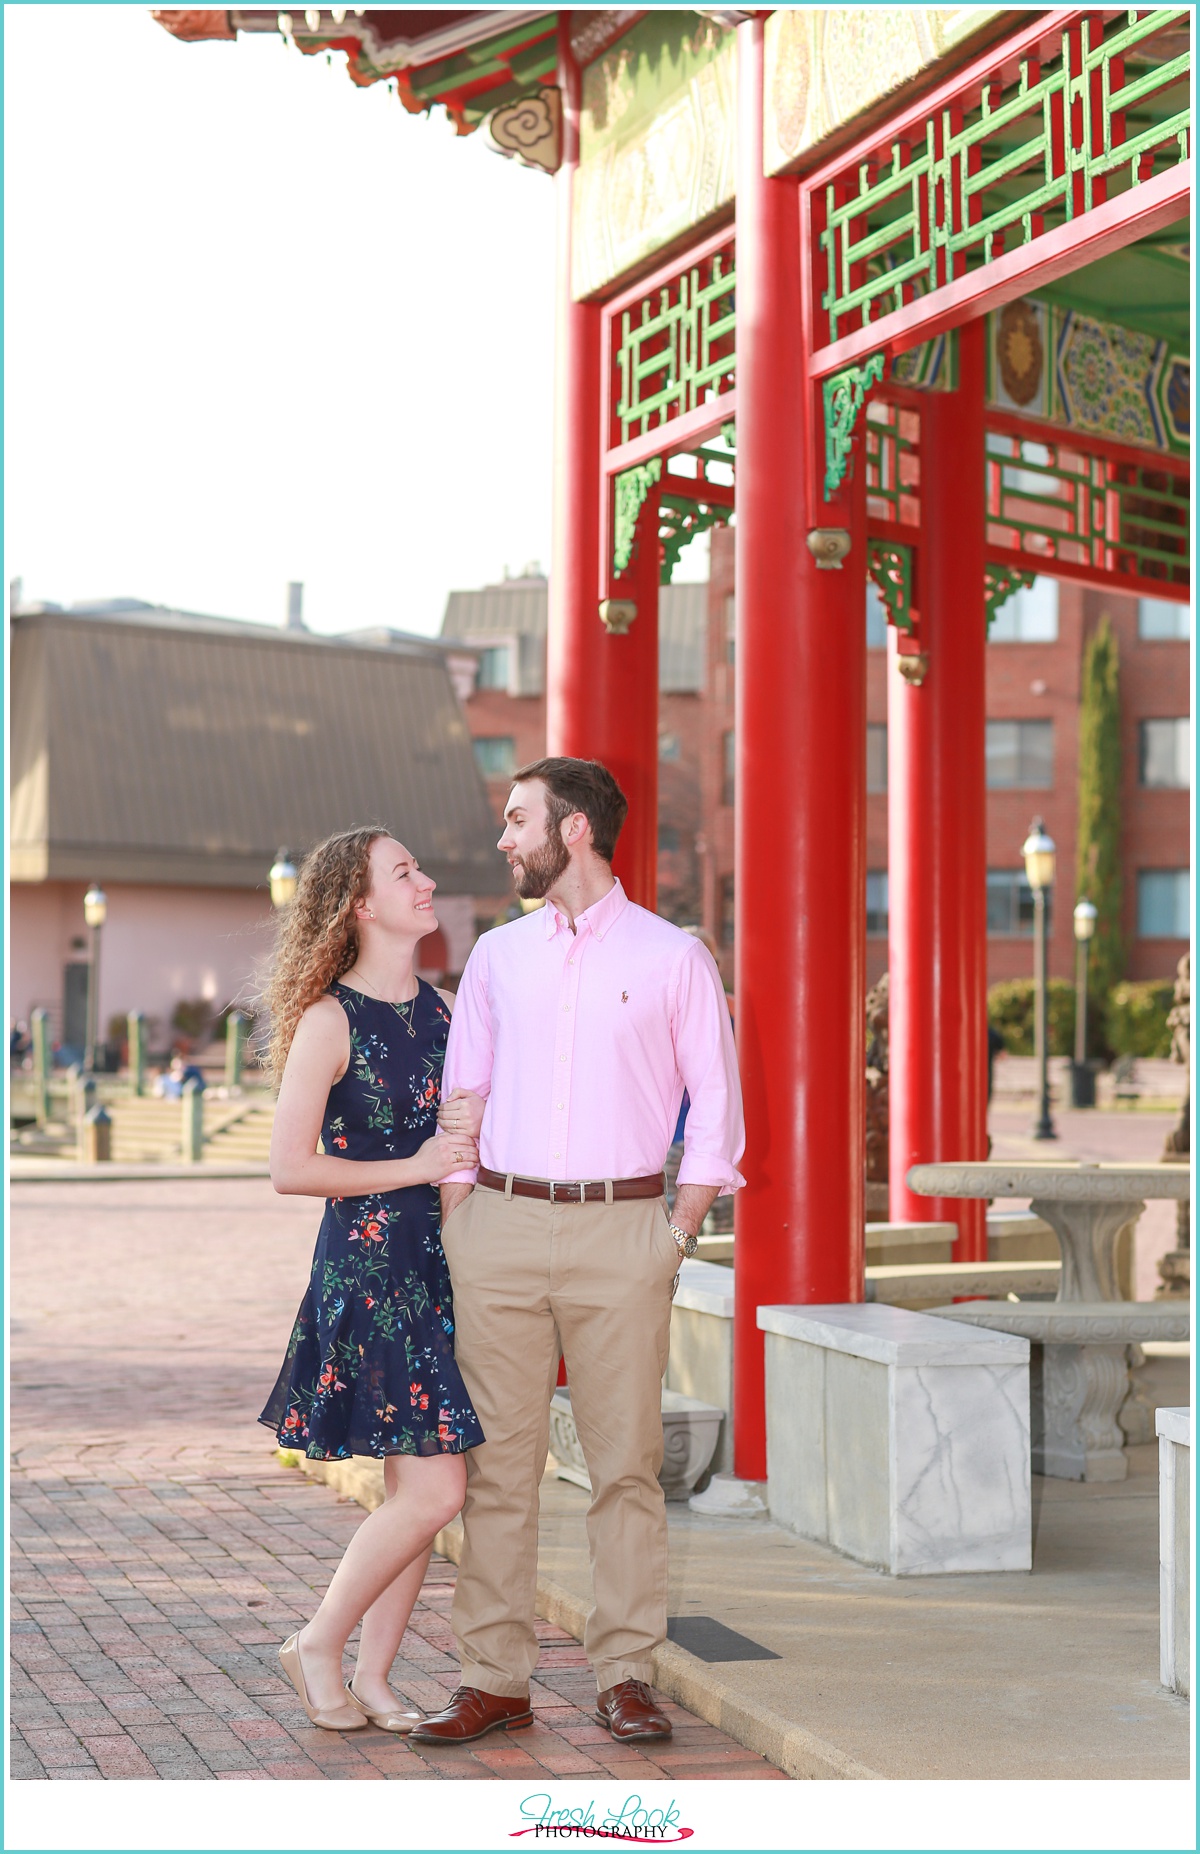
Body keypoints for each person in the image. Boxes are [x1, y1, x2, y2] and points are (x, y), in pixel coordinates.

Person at [411, 758, 744, 1748]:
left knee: (625, 1468)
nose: (506, 839)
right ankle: (493, 1678)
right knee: (497, 1468)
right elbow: (462, 1095)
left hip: (623, 1234)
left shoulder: (675, 956)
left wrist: (673, 1234)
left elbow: (717, 1109)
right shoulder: (498, 958)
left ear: (578, 832)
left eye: (519, 821)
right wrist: (460, 1216)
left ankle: (626, 1674)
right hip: (499, 1230)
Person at [259, 825, 486, 1733]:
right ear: (359, 905)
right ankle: (318, 1643)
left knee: (417, 1493)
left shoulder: (444, 1011)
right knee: (439, 1489)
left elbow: (460, 1153)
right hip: (371, 1272)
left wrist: (466, 1137)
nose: (426, 882)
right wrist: (422, 1160)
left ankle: (378, 1677)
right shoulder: (328, 1020)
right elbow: (289, 1167)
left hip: (440, 1271)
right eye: (405, 873)